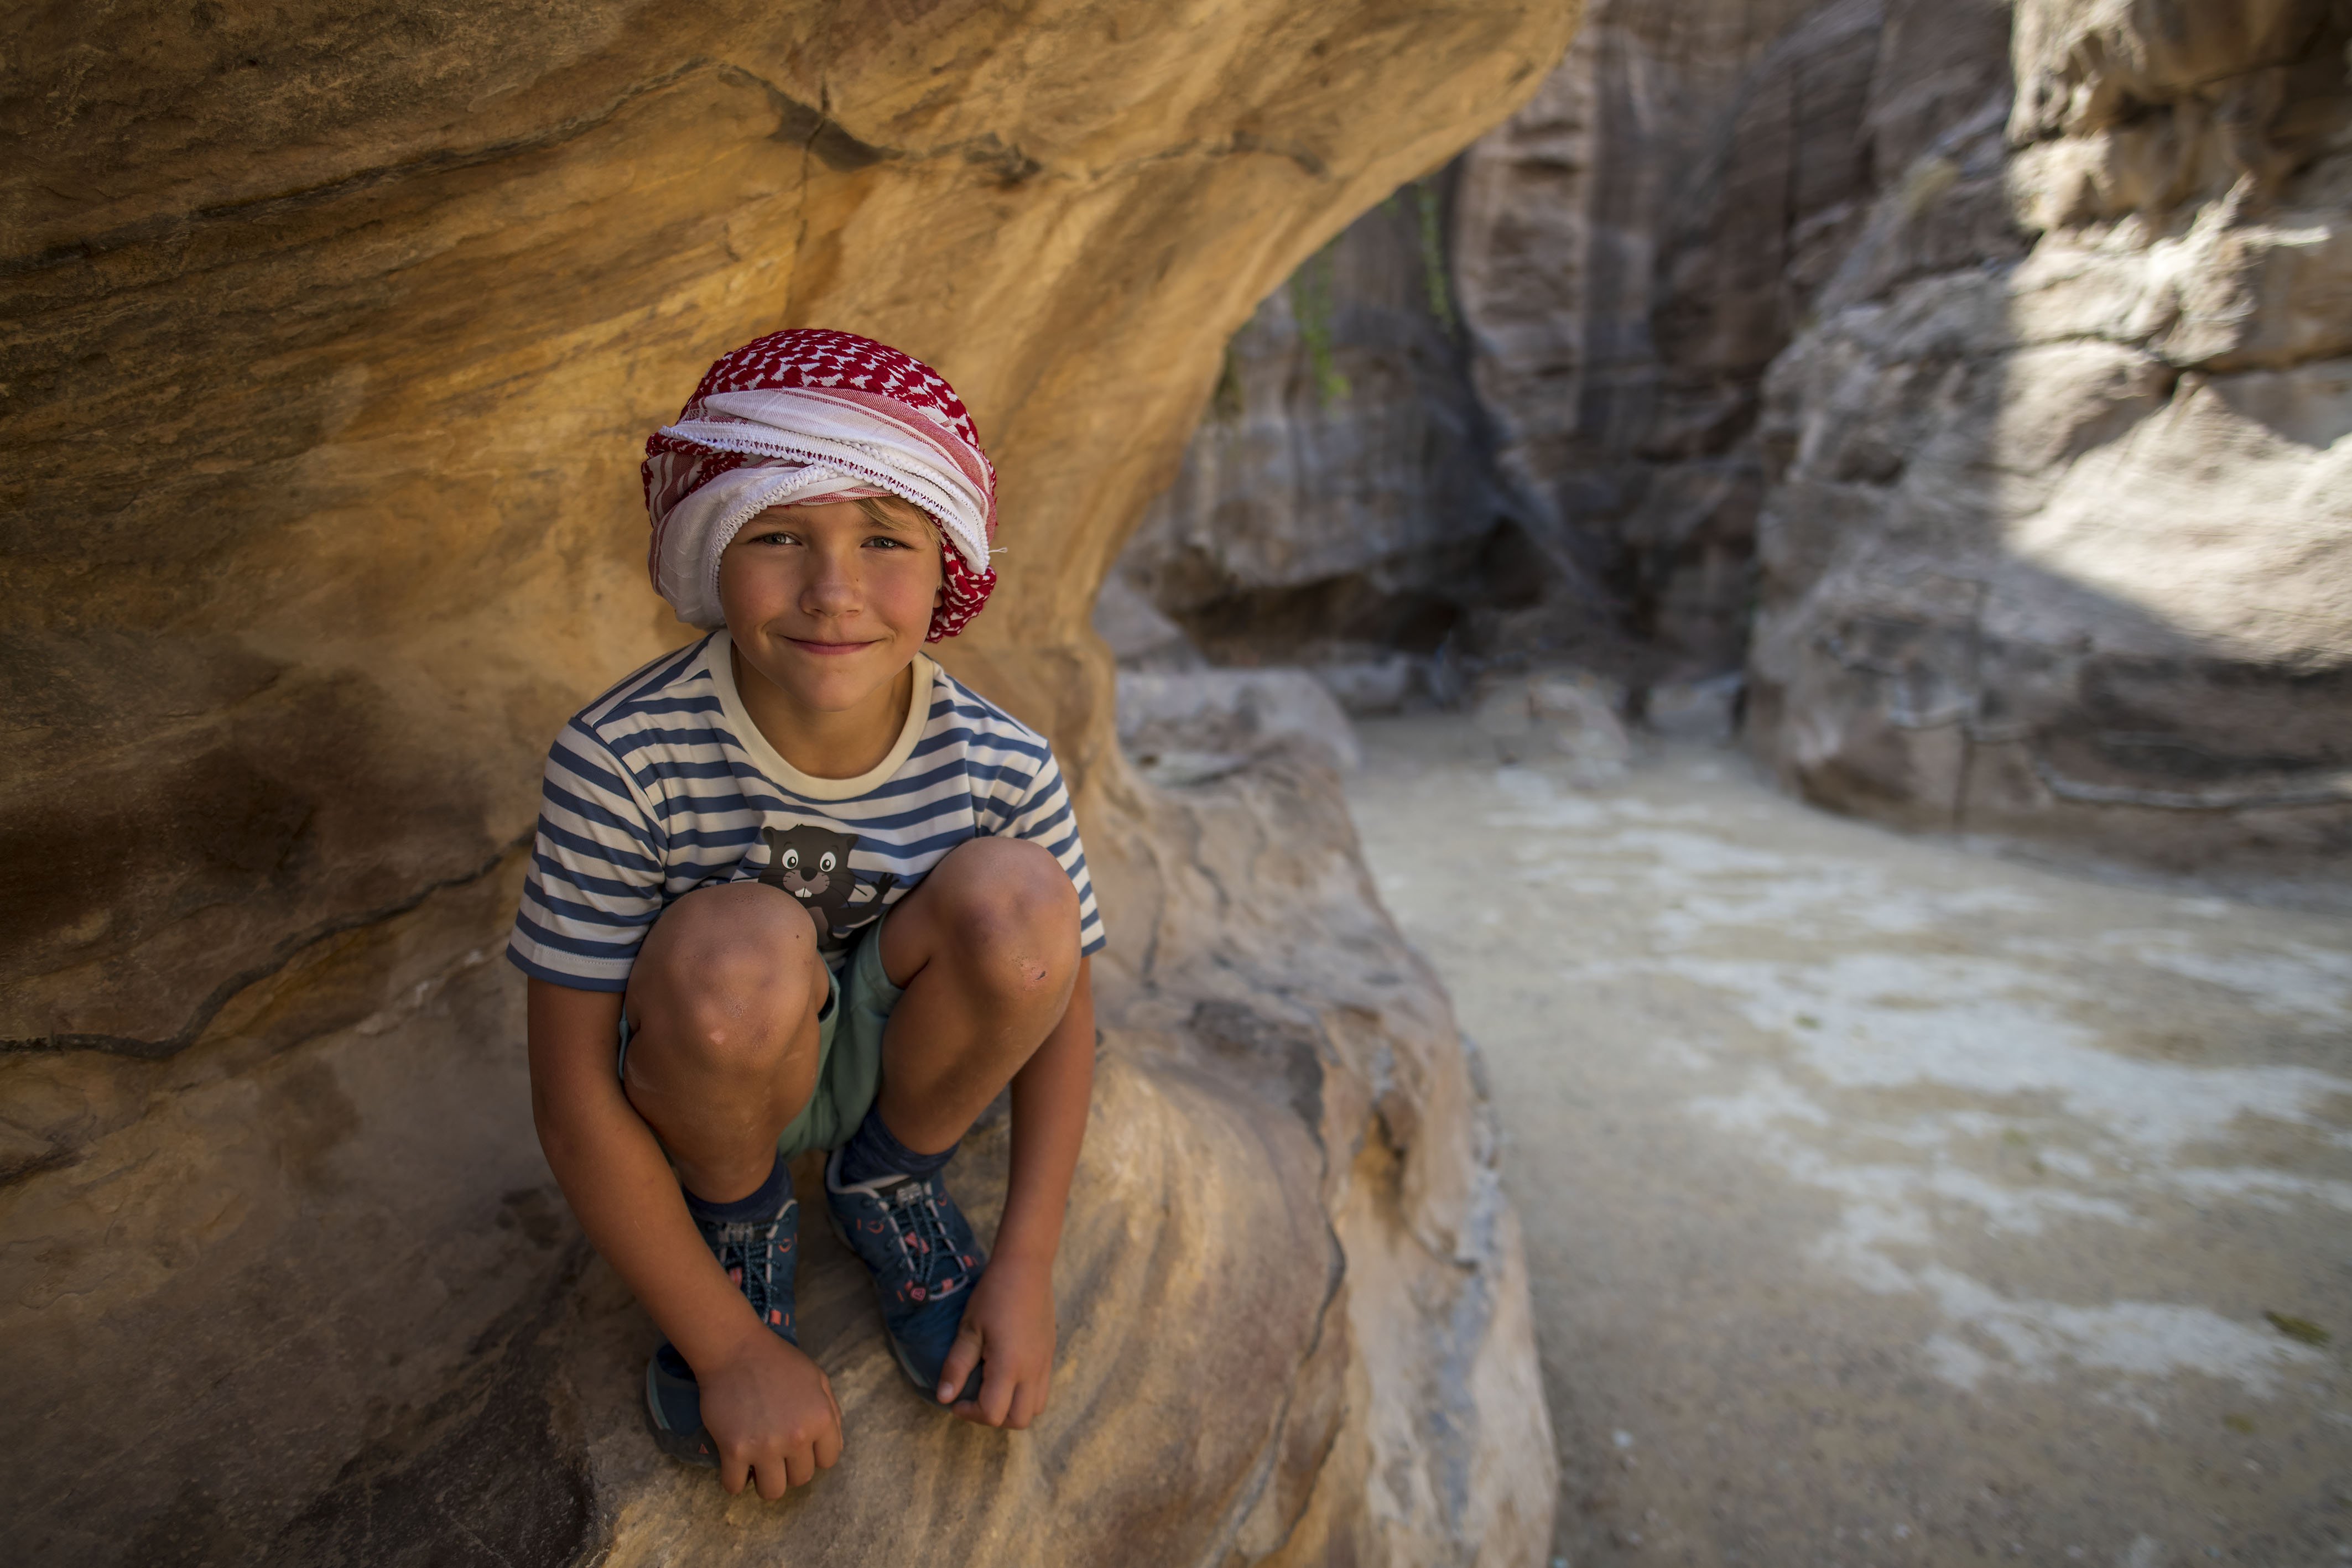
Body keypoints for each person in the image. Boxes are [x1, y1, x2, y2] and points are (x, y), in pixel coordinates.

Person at [510, 329, 1106, 1501]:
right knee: (739, 948)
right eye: (778, 534)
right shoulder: (621, 758)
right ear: (710, 552)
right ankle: (738, 1220)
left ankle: (889, 1178)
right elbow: (572, 1089)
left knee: (1020, 899)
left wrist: (1027, 1262)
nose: (833, 589)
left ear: (945, 566)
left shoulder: (997, 760)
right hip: (719, 1065)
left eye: (884, 537)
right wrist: (728, 1347)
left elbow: (1064, 998)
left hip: (899, 1062)